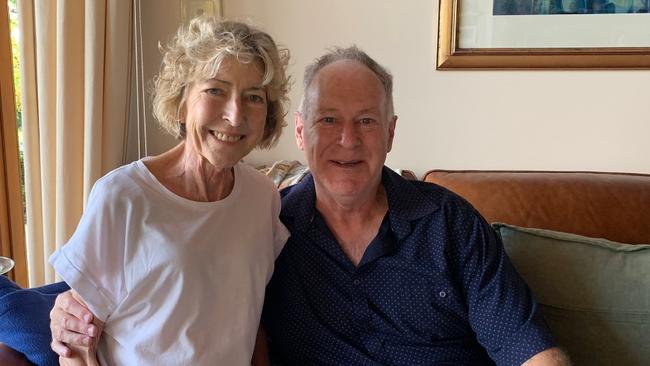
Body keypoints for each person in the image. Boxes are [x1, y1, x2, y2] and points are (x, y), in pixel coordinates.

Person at [51, 46, 571, 365]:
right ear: (300, 131)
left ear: (390, 134)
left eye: (366, 121)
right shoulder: (269, 221)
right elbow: (169, 289)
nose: (348, 140)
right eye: (328, 120)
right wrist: (66, 310)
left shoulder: (449, 223)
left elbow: (530, 350)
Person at [47, 16, 290, 365]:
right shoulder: (123, 197)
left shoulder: (263, 197)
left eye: (253, 97)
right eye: (215, 90)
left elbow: (250, 325)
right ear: (180, 102)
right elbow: (76, 345)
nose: (235, 115)